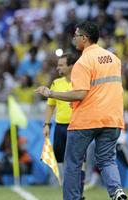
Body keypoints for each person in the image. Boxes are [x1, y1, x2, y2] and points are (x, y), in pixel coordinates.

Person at [35, 21, 127, 200]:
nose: (73, 39)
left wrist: (50, 92)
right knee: (107, 160)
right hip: (113, 118)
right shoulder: (114, 59)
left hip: (87, 120)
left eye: (76, 35)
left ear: (84, 38)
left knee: (72, 164)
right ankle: (117, 191)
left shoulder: (83, 62)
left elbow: (80, 94)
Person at [42, 53, 86, 198]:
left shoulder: (80, 83)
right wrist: (46, 124)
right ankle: (66, 189)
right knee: (60, 160)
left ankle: (79, 192)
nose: (58, 67)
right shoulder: (56, 83)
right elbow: (50, 106)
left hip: (77, 127)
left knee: (79, 161)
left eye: (61, 65)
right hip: (60, 127)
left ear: (71, 66)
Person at [86, 111, 128, 191]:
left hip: (119, 143)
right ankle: (93, 184)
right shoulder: (110, 110)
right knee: (101, 162)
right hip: (110, 142)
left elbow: (126, 127)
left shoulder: (124, 113)